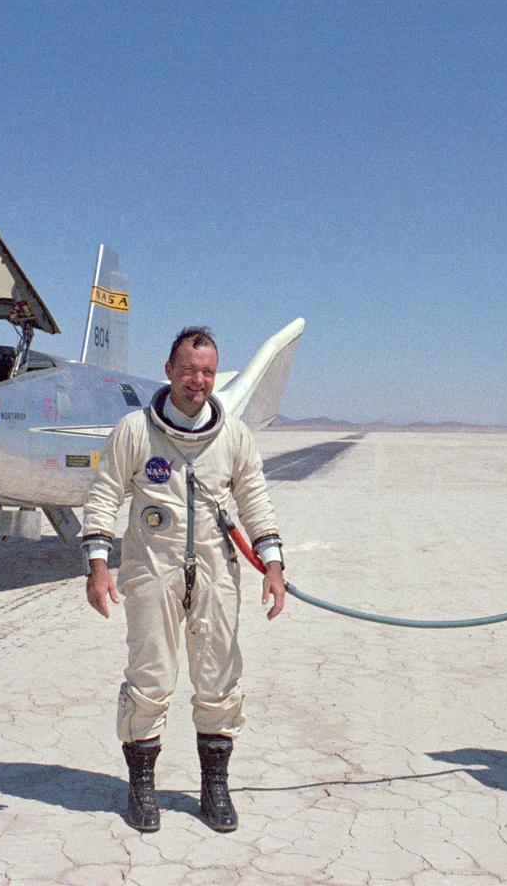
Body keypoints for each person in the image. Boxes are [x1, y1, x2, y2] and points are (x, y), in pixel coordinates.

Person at [82, 326, 287, 833]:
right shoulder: (135, 431)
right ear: (169, 370)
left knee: (219, 679)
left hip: (217, 572)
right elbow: (105, 494)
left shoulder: (233, 436)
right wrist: (99, 565)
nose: (198, 380)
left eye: (208, 372)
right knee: (150, 677)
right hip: (153, 569)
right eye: (189, 369)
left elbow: (255, 500)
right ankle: (142, 788)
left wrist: (274, 564)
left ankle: (214, 788)